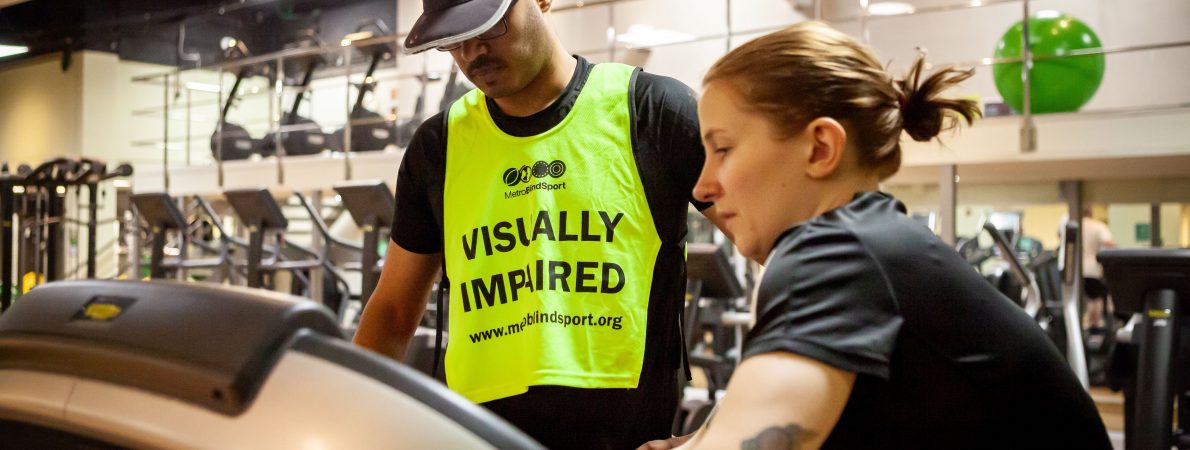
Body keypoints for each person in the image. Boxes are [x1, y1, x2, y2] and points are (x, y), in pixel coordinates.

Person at [640, 22, 1111, 450]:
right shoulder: (870, 243)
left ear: (820, 148)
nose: (702, 187)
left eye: (723, 149)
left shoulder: (836, 252)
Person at [352, 0, 723, 448]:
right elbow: (393, 313)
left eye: (488, 27)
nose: (471, 52)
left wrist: (719, 432)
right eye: (453, 40)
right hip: (479, 439)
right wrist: (350, 428)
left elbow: (784, 252)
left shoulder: (653, 111)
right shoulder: (439, 146)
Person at [1060, 207, 1117, 332]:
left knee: (1072, 298)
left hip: (1070, 269)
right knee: (1095, 298)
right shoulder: (1098, 226)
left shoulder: (1069, 224)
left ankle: (1076, 327)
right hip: (1091, 269)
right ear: (1091, 212)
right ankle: (1093, 325)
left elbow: (1059, 236)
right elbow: (1110, 243)